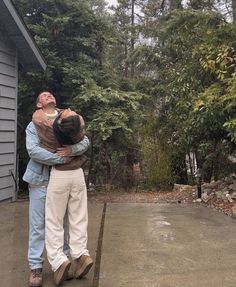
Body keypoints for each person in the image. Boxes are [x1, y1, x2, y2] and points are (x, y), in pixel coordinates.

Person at [23, 91, 90, 287]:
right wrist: (60, 159)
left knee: (66, 223)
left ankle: (63, 263)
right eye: (43, 96)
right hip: (41, 179)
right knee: (38, 225)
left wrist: (72, 150)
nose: (48, 95)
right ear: (38, 105)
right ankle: (35, 267)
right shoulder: (33, 124)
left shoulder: (68, 119)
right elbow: (33, 150)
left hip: (66, 177)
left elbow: (84, 141)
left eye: (50, 94)